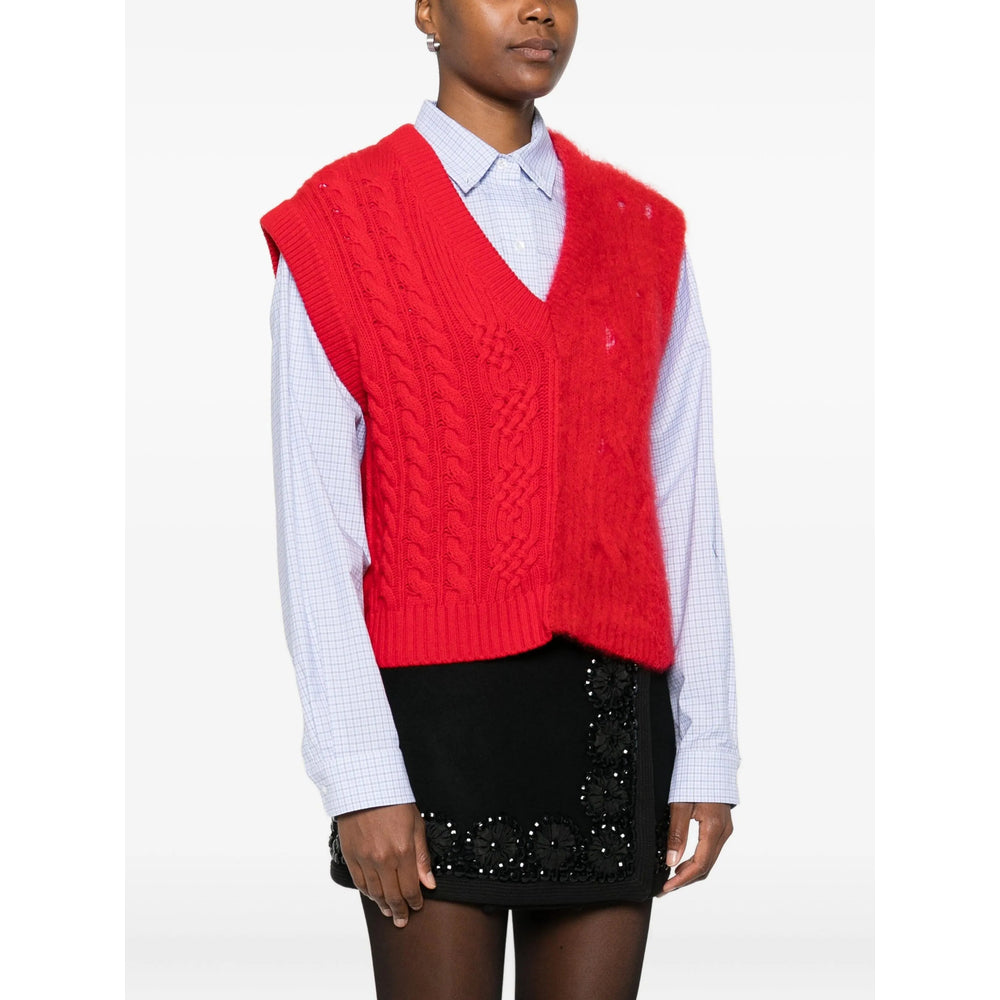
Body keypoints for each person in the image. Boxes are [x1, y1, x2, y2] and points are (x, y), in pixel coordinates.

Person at [263, 2, 740, 998]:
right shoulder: (341, 222)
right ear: (426, 11)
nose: (538, 10)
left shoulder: (644, 230)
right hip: (427, 726)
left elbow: (682, 501)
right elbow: (316, 529)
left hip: (610, 716)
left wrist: (708, 748)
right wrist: (359, 774)